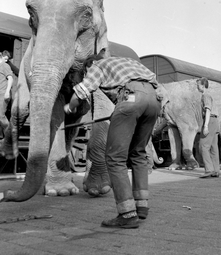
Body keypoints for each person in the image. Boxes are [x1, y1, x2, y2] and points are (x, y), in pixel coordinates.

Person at [64, 55, 161, 229]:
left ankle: (127, 214)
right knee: (138, 153)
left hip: (130, 99)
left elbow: (82, 90)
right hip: (153, 101)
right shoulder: (128, 62)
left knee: (115, 158)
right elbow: (153, 84)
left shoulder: (97, 66)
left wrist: (70, 107)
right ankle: (141, 206)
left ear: (89, 67)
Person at [196, 77, 220, 178]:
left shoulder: (205, 95)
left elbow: (208, 110)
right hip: (215, 121)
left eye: (198, 85)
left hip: (209, 120)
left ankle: (209, 169)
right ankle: (215, 170)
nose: (197, 87)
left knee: (203, 146)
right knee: (214, 147)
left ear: (202, 85)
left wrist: (205, 126)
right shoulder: (211, 94)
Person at [0, 50, 14, 136]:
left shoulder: (4, 66)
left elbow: (10, 78)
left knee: (0, 116)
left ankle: (10, 137)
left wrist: (7, 92)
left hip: (2, 94)